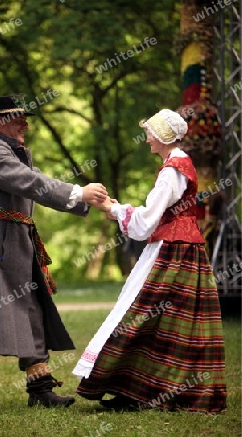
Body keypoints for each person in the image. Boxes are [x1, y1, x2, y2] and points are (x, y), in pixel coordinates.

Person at [0, 94, 107, 411]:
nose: (26, 124)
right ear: (0, 121)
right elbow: (32, 184)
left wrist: (89, 200)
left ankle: (41, 389)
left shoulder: (16, 152)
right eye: (20, 119)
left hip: (13, 241)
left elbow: (40, 183)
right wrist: (78, 192)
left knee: (31, 309)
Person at [73, 109, 227, 413]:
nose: (146, 140)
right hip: (184, 248)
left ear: (162, 137)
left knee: (140, 314)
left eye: (149, 134)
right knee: (171, 322)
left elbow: (145, 223)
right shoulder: (179, 165)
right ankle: (141, 389)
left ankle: (134, 389)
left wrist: (113, 208)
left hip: (172, 252)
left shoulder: (172, 171)